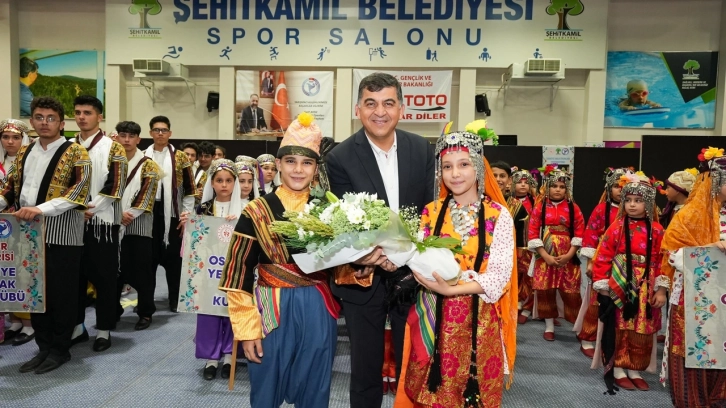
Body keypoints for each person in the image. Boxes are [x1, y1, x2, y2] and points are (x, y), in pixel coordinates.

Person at [326, 72, 435, 408]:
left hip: (413, 276)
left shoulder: (422, 149)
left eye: (388, 103)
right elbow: (342, 219)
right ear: (358, 109)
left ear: (401, 108)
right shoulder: (340, 157)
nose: (380, 112)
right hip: (364, 275)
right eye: (370, 103)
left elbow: (430, 210)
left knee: (414, 366)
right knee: (364, 369)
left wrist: (404, 256)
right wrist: (375, 254)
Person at [219, 113, 338, 407]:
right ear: (278, 164)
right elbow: (237, 273)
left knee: (315, 388)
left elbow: (343, 266)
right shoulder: (256, 210)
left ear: (316, 168)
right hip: (270, 308)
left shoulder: (330, 209)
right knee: (265, 387)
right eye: (290, 161)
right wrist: (247, 329)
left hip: (318, 305)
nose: (298, 169)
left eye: (307, 163)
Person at [396, 128, 517, 407]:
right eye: (447, 166)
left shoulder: (499, 215)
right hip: (432, 314)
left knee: (471, 394)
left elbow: (499, 277)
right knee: (430, 392)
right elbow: (418, 258)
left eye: (464, 164)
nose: (455, 174)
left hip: (479, 319)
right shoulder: (431, 211)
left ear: (478, 167)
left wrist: (452, 289)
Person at [0, 96, 91, 374]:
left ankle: (60, 349)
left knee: (61, 294)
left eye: (51, 118)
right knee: (35, 293)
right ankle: (44, 347)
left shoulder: (77, 152)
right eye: (39, 117)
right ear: (32, 122)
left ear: (62, 123)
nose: (44, 123)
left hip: (62, 233)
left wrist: (39, 209)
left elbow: (79, 193)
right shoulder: (25, 152)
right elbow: (11, 188)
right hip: (29, 234)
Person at [659, 149, 726, 407]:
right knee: (695, 346)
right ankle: (693, 401)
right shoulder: (688, 215)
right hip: (694, 295)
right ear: (714, 181)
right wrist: (708, 249)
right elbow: (672, 253)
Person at [591, 173, 666, 392]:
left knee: (642, 326)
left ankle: (635, 368)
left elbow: (663, 261)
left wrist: (661, 289)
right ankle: (618, 368)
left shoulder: (658, 230)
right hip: (620, 283)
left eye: (638, 200)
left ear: (649, 202)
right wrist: (603, 285)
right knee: (620, 325)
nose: (632, 205)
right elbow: (603, 256)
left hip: (646, 286)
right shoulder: (616, 227)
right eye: (628, 200)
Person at [69, 95, 128, 352]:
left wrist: (89, 209)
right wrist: (75, 211)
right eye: (78, 112)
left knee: (104, 279)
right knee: (73, 279)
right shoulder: (68, 146)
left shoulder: (113, 148)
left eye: (87, 112)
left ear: (99, 117)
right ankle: (77, 327)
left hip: (102, 225)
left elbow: (116, 185)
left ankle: (104, 330)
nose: (82, 117)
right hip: (70, 224)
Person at [182, 159, 244, 381]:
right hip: (209, 270)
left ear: (235, 183)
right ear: (212, 183)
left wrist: (237, 223)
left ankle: (229, 356)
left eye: (228, 180)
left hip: (234, 270)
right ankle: (211, 358)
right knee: (209, 312)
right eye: (219, 180)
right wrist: (188, 224)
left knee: (231, 311)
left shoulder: (245, 209)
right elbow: (195, 241)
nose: (224, 185)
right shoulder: (203, 209)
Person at [574, 167, 631, 358]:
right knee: (596, 301)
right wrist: (590, 262)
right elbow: (591, 234)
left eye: (624, 187)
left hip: (626, 264)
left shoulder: (635, 211)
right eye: (616, 186)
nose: (620, 191)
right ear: (608, 188)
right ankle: (587, 337)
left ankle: (614, 340)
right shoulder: (601, 209)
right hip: (602, 261)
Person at [144, 116, 196, 312]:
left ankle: (175, 299)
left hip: (173, 213)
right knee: (148, 260)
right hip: (148, 213)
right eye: (156, 130)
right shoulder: (143, 156)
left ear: (170, 133)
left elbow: (190, 189)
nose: (160, 133)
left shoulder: (180, 157)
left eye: (164, 130)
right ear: (150, 133)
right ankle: (146, 303)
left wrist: (186, 214)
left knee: (174, 260)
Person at [527, 167, 584, 341]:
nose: (558, 189)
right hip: (545, 256)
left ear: (566, 189)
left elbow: (580, 232)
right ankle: (549, 326)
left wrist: (569, 255)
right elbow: (533, 232)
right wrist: (545, 256)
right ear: (547, 187)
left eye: (562, 187)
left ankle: (577, 327)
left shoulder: (574, 208)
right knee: (545, 291)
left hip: (568, 256)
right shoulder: (540, 207)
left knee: (571, 292)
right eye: (554, 186)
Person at [115, 121, 161, 331]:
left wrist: (127, 215)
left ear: (138, 139)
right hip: (113, 222)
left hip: (139, 226)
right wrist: (117, 215)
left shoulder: (148, 164)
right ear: (117, 137)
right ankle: (113, 310)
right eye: (123, 135)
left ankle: (145, 312)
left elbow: (147, 195)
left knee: (142, 271)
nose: (126, 140)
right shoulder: (111, 162)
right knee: (114, 271)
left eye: (131, 136)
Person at [0, 119, 34, 346]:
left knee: (24, 271)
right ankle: (14, 321)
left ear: (24, 139)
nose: (10, 142)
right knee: (6, 273)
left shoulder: (29, 162)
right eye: (5, 137)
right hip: (2, 226)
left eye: (15, 137)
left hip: (23, 223)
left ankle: (29, 323)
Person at [507, 168, 538, 325]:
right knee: (514, 276)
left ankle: (527, 307)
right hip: (512, 244)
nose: (523, 185)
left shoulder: (536, 202)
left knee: (530, 277)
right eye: (519, 182)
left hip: (531, 246)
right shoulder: (508, 201)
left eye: (526, 182)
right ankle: (515, 303)